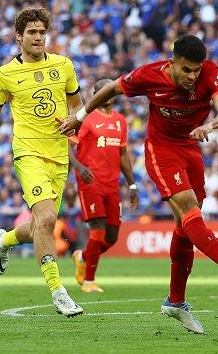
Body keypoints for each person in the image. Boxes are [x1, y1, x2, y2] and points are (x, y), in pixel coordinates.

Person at [58, 34, 218, 334]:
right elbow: (110, 88)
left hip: (190, 147)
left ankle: (175, 301)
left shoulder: (210, 72)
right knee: (189, 211)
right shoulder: (149, 75)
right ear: (172, 63)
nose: (192, 76)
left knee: (185, 225)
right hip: (161, 151)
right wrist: (81, 116)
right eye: (186, 70)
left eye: (196, 70)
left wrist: (210, 125)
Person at [0, 6, 85, 317]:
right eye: (32, 33)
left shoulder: (64, 66)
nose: (39, 37)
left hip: (58, 155)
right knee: (47, 219)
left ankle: (5, 238)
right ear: (19, 37)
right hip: (27, 152)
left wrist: (74, 120)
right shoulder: (5, 74)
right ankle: (58, 291)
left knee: (44, 221)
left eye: (42, 32)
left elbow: (77, 104)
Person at [69, 78, 138, 293]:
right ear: (95, 94)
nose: (108, 94)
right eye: (103, 91)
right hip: (90, 181)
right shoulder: (87, 119)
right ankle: (88, 281)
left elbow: (123, 155)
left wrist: (132, 186)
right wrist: (79, 168)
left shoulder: (120, 121)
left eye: (111, 91)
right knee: (97, 229)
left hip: (112, 184)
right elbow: (67, 146)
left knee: (112, 236)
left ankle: (82, 257)